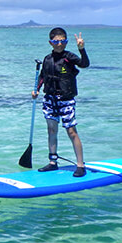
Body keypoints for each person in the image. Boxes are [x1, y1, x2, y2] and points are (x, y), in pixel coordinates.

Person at [32, 27, 90, 177]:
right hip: (50, 99)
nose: (59, 44)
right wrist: (36, 90)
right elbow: (43, 76)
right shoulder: (47, 59)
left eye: (62, 41)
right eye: (56, 41)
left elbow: (84, 64)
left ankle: (80, 165)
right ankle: (53, 162)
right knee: (51, 130)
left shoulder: (69, 57)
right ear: (50, 42)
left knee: (71, 131)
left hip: (66, 99)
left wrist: (82, 49)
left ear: (66, 41)